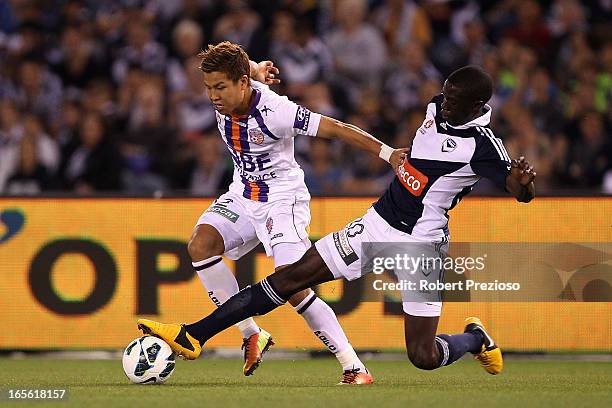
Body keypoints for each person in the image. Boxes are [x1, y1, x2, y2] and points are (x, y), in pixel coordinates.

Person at [139, 65, 535, 378]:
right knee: (289, 278)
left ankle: (473, 339)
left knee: (423, 356)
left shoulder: (483, 146)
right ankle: (193, 334)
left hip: (421, 245)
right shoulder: (436, 107)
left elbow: (518, 190)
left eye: (454, 101)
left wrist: (522, 182)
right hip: (377, 223)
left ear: (478, 105)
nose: (444, 104)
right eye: (445, 95)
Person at [158, 41, 407, 384]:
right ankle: (251, 333)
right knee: (201, 246)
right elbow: (246, 67)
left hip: (282, 200)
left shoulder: (277, 111)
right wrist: (257, 68)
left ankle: (354, 366)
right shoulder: (237, 86)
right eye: (208, 88)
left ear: (240, 85)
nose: (213, 96)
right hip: (243, 194)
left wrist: (389, 153)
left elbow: (336, 128)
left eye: (220, 87)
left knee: (292, 283)